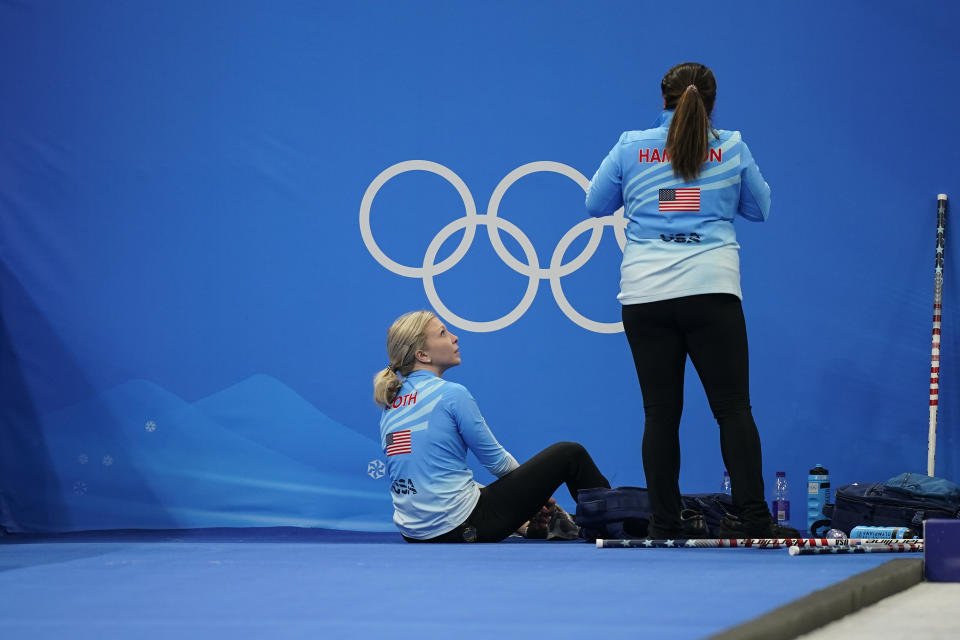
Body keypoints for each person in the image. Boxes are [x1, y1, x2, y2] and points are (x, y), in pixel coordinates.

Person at [584, 62, 800, 539]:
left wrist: (658, 197)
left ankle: (663, 523)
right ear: (712, 101)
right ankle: (756, 521)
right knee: (733, 410)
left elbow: (595, 205)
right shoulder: (732, 147)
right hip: (712, 291)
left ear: (662, 99)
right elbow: (759, 209)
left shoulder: (629, 146)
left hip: (646, 296)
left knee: (660, 414)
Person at [373, 310, 610, 542]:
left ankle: (529, 528)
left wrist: (524, 512)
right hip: (462, 525)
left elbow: (426, 479)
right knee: (570, 454)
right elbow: (498, 462)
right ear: (422, 355)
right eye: (443, 333)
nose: (455, 337)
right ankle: (615, 524)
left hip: (413, 532)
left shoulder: (390, 404)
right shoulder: (451, 394)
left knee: (471, 489)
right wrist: (539, 497)